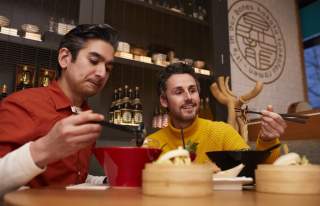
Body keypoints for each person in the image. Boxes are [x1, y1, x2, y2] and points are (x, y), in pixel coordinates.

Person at [0, 24, 119, 196]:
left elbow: (72, 179)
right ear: (65, 58)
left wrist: (105, 181)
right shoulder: (23, 104)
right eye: (93, 61)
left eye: (108, 68)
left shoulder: (86, 114)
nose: (101, 73)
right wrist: (44, 149)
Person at [144, 63, 287, 164]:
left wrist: (267, 140)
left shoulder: (223, 132)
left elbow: (254, 169)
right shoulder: (151, 144)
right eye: (179, 92)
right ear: (164, 100)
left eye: (192, 90)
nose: (188, 97)